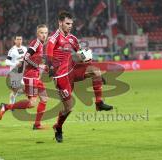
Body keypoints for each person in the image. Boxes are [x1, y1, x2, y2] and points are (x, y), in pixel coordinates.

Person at [46, 11, 113, 143]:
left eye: (71, 23)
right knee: (68, 108)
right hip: (61, 76)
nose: (70, 26)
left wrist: (85, 58)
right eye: (67, 23)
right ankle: (58, 127)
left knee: (96, 71)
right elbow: (48, 56)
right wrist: (51, 68)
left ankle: (99, 103)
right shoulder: (53, 39)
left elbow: (79, 56)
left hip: (72, 69)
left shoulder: (73, 39)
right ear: (60, 23)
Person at [0, 25, 49, 130]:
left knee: (44, 98)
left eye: (45, 33)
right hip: (31, 77)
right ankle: (6, 106)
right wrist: (39, 66)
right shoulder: (36, 43)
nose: (44, 35)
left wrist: (42, 66)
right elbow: (26, 58)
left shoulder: (40, 45)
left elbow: (34, 59)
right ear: (37, 33)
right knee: (31, 103)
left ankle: (37, 125)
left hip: (35, 76)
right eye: (41, 33)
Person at [5, 36, 27, 104]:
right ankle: (11, 105)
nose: (19, 41)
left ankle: (13, 97)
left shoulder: (25, 49)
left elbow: (26, 59)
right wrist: (15, 64)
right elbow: (7, 61)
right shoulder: (12, 50)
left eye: (20, 39)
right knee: (15, 90)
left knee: (25, 89)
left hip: (22, 72)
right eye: (17, 39)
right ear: (15, 41)